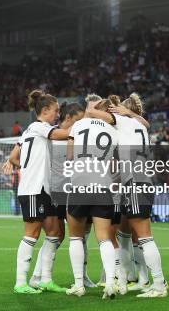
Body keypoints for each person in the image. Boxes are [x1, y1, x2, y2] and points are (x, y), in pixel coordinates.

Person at [2, 89, 72, 294]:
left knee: (55, 233)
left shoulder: (28, 132)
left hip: (43, 189)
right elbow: (59, 133)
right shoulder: (38, 126)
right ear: (45, 110)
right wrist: (84, 128)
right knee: (31, 234)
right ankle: (20, 282)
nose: (58, 114)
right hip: (32, 189)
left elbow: (14, 157)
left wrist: (25, 163)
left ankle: (45, 279)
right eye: (56, 110)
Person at [108, 93, 168, 298]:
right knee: (127, 233)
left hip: (135, 183)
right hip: (141, 182)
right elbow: (145, 122)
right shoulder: (140, 126)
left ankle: (159, 284)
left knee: (144, 237)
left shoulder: (124, 122)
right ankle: (133, 279)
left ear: (124, 112)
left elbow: (99, 114)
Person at [65, 97, 120, 299]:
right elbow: (116, 166)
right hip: (103, 186)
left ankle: (79, 284)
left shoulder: (78, 125)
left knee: (76, 237)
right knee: (104, 237)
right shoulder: (113, 132)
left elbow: (69, 156)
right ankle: (110, 284)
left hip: (80, 183)